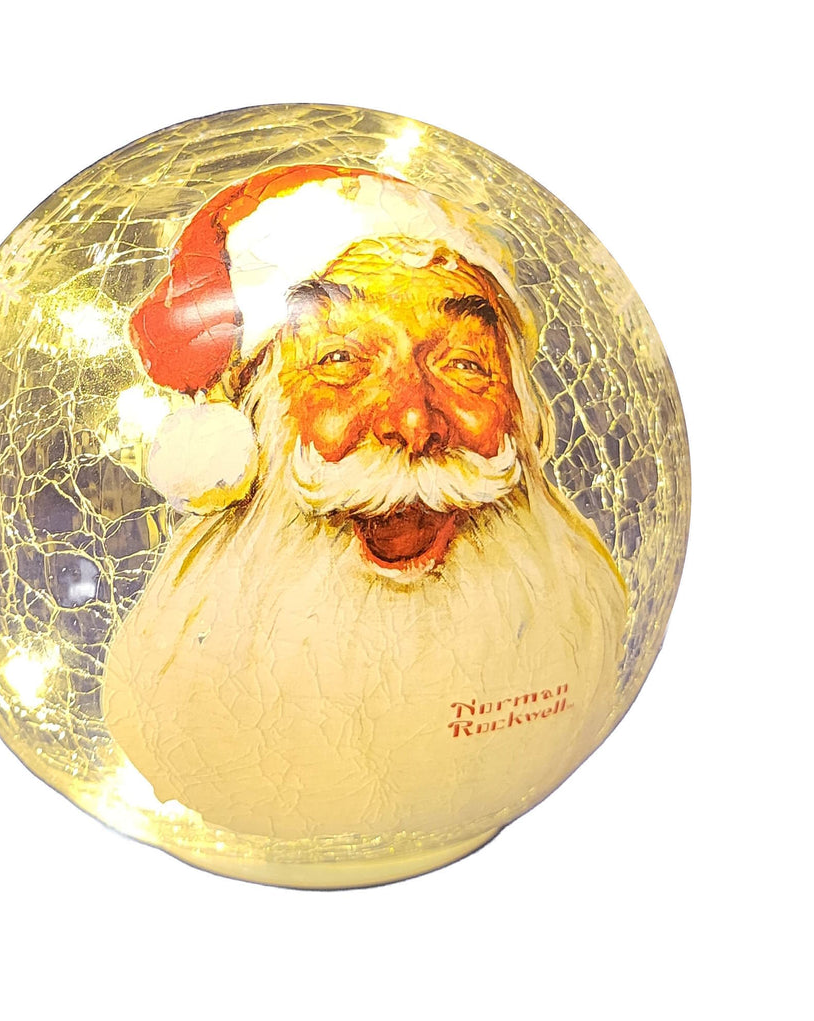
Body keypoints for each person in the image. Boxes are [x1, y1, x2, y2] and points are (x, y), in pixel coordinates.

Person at [102, 166, 627, 842]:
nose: (413, 421)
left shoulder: (566, 673)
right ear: (247, 430)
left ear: (523, 419)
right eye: (341, 360)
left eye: (464, 365)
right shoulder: (181, 694)